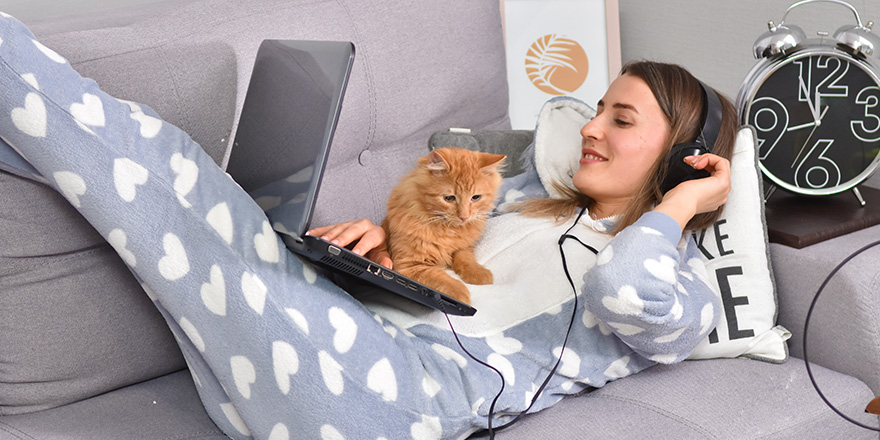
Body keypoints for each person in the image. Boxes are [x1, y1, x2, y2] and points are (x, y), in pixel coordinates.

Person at [0, 13, 733, 440]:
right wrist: (386, 253)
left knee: (166, 173)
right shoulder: (525, 198)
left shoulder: (681, 285)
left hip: (385, 404)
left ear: (685, 158)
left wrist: (678, 205)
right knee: (145, 173)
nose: (592, 129)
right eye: (599, 110)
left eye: (621, 118)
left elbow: (625, 290)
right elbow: (447, 282)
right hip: (312, 366)